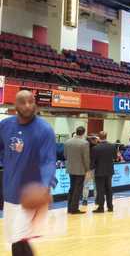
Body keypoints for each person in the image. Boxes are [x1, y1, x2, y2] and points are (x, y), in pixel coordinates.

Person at [1, 90, 57, 256]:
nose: (27, 105)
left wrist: (45, 186)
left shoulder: (45, 130)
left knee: (19, 238)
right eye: (23, 102)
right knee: (16, 239)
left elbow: (48, 161)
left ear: (36, 104)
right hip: (10, 192)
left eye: (31, 101)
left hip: (31, 193)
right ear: (14, 105)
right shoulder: (5, 125)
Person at [64, 126, 90, 214]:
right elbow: (86, 158)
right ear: (83, 133)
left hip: (70, 168)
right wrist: (87, 169)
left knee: (72, 188)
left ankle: (69, 208)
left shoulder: (68, 142)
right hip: (80, 169)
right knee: (77, 189)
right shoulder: (84, 143)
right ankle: (74, 209)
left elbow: (65, 155)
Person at [91, 131, 115, 213]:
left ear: (99, 137)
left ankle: (101, 207)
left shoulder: (95, 148)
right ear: (106, 136)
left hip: (99, 171)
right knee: (109, 189)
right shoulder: (112, 146)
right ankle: (110, 207)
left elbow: (92, 162)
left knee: (100, 190)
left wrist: (91, 168)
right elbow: (115, 157)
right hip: (109, 171)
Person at [81, 134, 99, 207]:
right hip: (95, 168)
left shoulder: (85, 147)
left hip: (87, 169)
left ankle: (85, 200)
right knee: (95, 185)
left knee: (86, 185)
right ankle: (96, 200)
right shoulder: (97, 148)